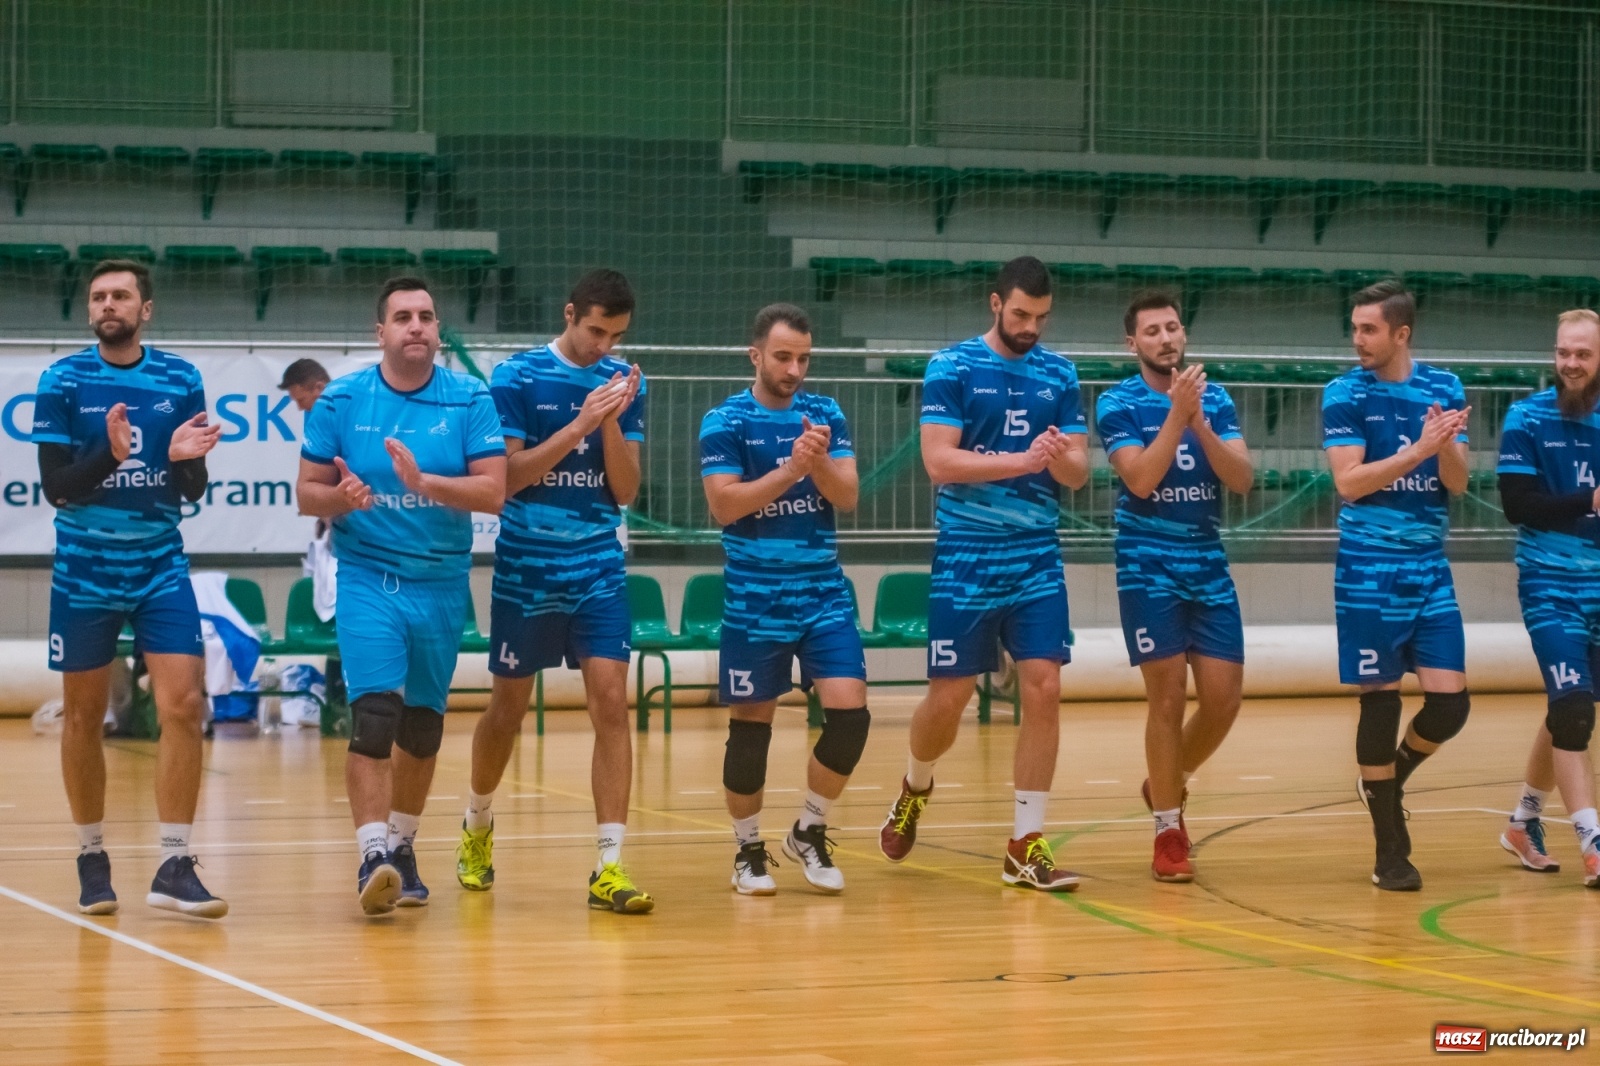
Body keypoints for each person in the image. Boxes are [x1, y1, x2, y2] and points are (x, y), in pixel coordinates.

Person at [878, 255, 1089, 890]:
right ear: (995, 303)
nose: (1031, 328)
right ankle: (916, 783)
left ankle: (1026, 842)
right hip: (967, 553)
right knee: (952, 696)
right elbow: (939, 462)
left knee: (1044, 687)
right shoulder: (952, 366)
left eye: (1042, 318)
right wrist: (1024, 459)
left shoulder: (1060, 373)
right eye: (1021, 314)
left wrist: (1057, 459)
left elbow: (1079, 473)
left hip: (1036, 554)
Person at [297, 277, 506, 916]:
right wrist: (341, 498)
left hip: (441, 581)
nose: (417, 325)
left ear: (437, 331)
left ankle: (402, 845)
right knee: (375, 718)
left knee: (421, 726)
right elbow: (307, 493)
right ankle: (371, 854)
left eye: (427, 316)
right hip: (368, 575)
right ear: (380, 332)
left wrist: (426, 482)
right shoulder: (341, 399)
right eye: (403, 316)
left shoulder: (470, 397)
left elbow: (493, 492)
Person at [454, 269, 654, 914]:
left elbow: (626, 491)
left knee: (611, 705)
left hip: (598, 565)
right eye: (596, 331)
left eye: (616, 336)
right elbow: (505, 480)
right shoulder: (516, 377)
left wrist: (612, 421)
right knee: (507, 710)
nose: (604, 346)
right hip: (527, 568)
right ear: (569, 314)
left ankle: (610, 866)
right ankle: (477, 823)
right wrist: (578, 426)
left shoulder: (622, 383)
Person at [33, 258, 226, 917]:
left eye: (120, 296)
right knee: (84, 716)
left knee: (184, 705)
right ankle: (92, 856)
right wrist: (112, 455)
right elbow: (57, 487)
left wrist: (183, 461)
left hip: (159, 565)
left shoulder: (180, 378)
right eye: (98, 297)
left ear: (145, 309)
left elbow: (193, 488)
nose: (107, 305)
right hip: (84, 568)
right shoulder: (62, 380)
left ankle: (174, 864)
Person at [699, 303, 866, 895]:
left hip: (823, 593)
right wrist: (793, 469)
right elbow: (725, 505)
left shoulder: (826, 414)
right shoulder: (725, 420)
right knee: (752, 731)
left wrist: (817, 463)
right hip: (755, 599)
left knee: (851, 718)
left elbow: (847, 497)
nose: (794, 370)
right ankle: (748, 850)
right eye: (783, 357)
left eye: (803, 358)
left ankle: (808, 830)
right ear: (756, 356)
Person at [1096, 292, 1254, 883]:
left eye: (1172, 327)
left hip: (1207, 562)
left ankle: (1164, 781)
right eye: (1152, 331)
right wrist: (1175, 416)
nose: (1165, 338)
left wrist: (1199, 421)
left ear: (1183, 334)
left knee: (1224, 699)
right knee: (1166, 698)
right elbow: (1139, 479)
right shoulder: (1117, 402)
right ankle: (1168, 828)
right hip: (1147, 565)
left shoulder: (1216, 399)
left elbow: (1241, 479)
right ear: (1132, 343)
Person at [1322, 279, 1472, 892]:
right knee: (1380, 702)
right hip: (1368, 570)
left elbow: (1457, 483)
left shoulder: (1444, 387)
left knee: (1451, 704)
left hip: (1429, 567)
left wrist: (1446, 447)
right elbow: (1350, 483)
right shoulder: (1344, 392)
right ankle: (1389, 851)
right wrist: (1418, 451)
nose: (1357, 339)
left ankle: (1390, 779)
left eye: (1369, 329)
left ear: (1401, 334)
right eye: (1355, 327)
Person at [1495, 308, 1600, 888]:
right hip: (1548, 583)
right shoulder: (1527, 417)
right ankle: (1593, 842)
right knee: (1575, 711)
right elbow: (1518, 506)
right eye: (1563, 353)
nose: (1570, 364)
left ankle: (1523, 822)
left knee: (1569, 704)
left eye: (1582, 354)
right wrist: (1590, 500)